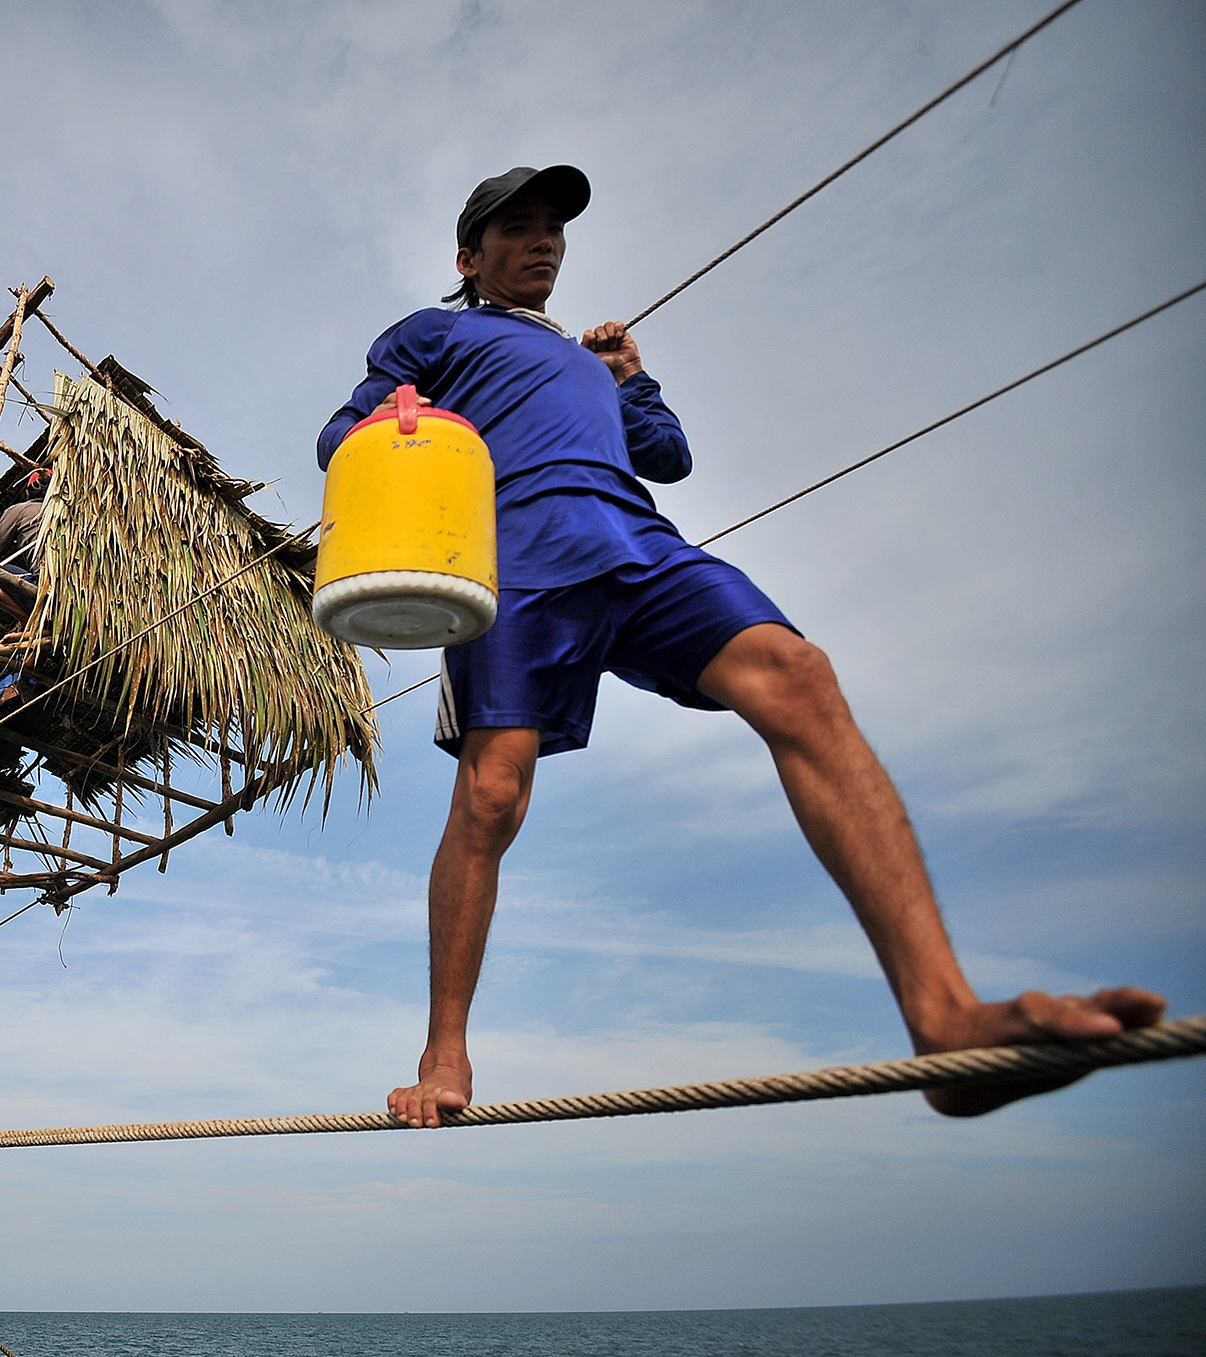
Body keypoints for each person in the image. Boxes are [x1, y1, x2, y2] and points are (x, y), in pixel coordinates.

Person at [317, 165, 1166, 1128]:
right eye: (519, 228)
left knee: (798, 676)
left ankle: (945, 1023)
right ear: (470, 258)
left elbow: (669, 455)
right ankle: (443, 1056)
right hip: (515, 556)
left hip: (634, 541)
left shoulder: (592, 362)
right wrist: (396, 424)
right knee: (494, 788)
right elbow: (342, 432)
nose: (544, 240)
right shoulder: (438, 333)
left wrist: (632, 377)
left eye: (554, 227)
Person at [0, 467, 50, 622]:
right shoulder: (73, 512)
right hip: (85, 592)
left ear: (29, 492)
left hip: (47, 589)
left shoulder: (22, 509)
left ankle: (31, 623)